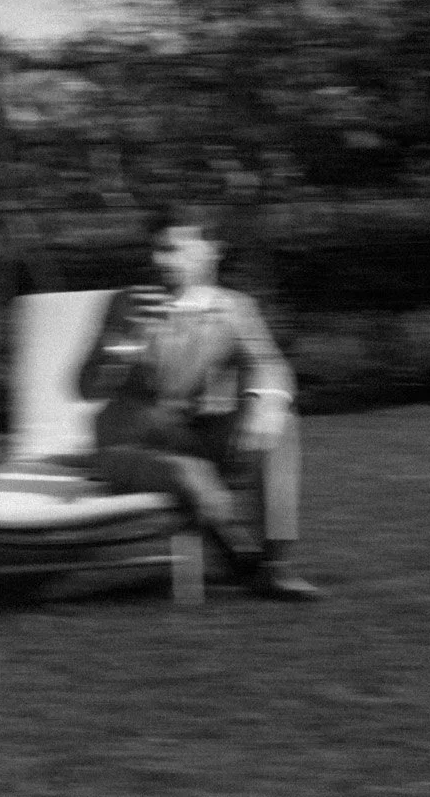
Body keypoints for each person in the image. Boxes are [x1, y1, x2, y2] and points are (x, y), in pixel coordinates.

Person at [78, 205, 321, 600]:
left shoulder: (234, 308)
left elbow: (268, 363)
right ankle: (238, 552)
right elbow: (85, 390)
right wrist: (120, 343)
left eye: (173, 249)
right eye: (156, 249)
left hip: (192, 433)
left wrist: (267, 404)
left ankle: (277, 566)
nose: (159, 260)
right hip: (126, 446)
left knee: (282, 425)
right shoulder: (126, 305)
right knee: (191, 475)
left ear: (211, 250)